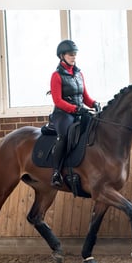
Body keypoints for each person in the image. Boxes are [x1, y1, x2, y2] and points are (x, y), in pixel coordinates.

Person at [49, 39, 100, 187]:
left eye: (75, 54)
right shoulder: (56, 76)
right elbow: (58, 100)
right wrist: (75, 109)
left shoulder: (79, 74)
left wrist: (94, 103)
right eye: (70, 54)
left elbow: (84, 97)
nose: (73, 57)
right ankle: (56, 173)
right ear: (62, 56)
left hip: (78, 111)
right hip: (62, 114)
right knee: (64, 136)